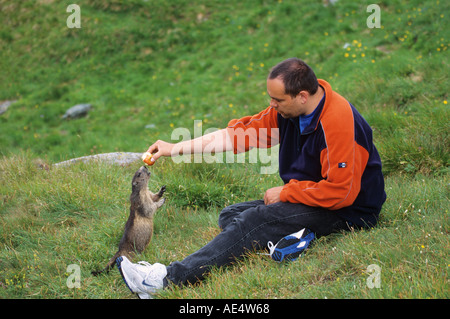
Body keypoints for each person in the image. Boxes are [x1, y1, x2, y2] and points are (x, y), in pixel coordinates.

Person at [116, 57, 386, 299]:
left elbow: (342, 192)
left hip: (349, 210)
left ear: (302, 95)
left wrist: (287, 194)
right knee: (230, 215)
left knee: (252, 221)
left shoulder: (338, 122)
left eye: (277, 100)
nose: (272, 105)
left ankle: (165, 280)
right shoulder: (289, 112)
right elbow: (235, 137)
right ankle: (286, 240)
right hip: (313, 195)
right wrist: (173, 148)